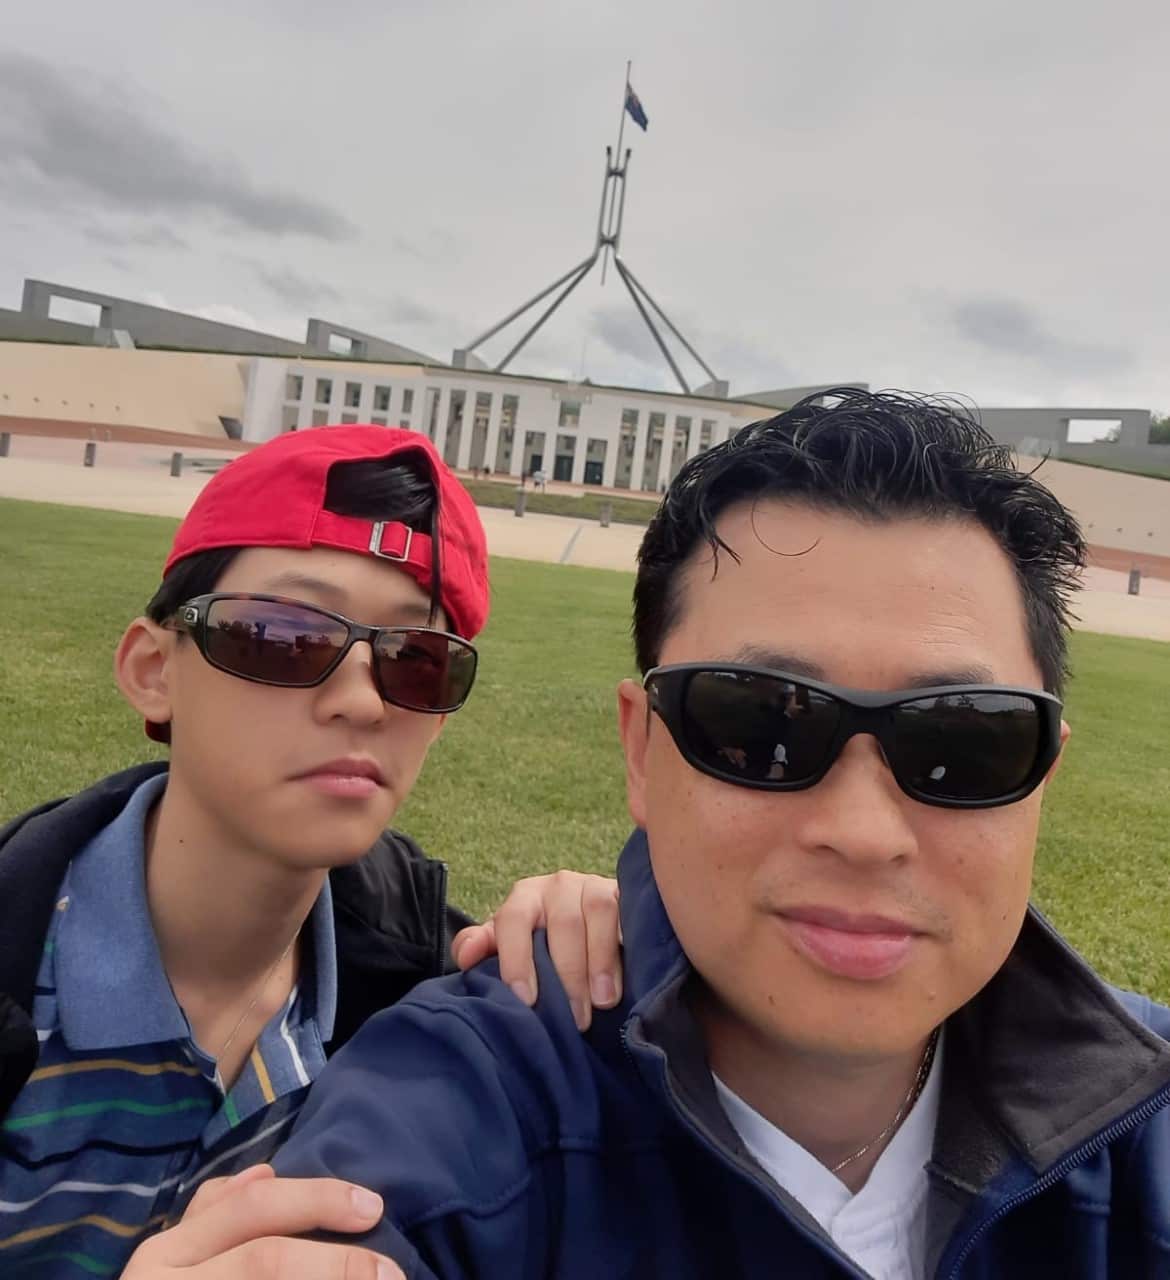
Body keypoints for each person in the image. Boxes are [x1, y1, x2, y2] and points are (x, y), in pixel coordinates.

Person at [273, 390, 1170, 1278]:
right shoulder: (466, 1101)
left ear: (1041, 775)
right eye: (762, 727)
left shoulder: (1148, 1131)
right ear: (642, 750)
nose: (863, 833)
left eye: (963, 740)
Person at [0, 426, 622, 1280]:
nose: (363, 701)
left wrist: (587, 948)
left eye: (417, 661)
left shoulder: (431, 999)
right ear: (153, 669)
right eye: (282, 636)